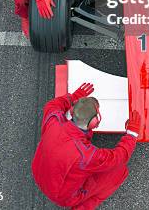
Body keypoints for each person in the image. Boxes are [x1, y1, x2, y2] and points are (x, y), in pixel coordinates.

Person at [32, 81, 140, 209]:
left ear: (72, 111)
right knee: (118, 171)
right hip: (62, 196)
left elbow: (53, 105)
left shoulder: (53, 119)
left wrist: (73, 97)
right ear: (93, 122)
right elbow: (117, 158)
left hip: (39, 175)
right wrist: (131, 134)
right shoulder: (86, 155)